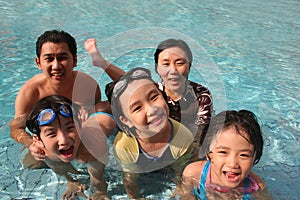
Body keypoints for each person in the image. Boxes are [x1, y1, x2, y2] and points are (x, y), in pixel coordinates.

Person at [9, 30, 115, 169]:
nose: (56, 66)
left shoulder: (87, 85)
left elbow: (95, 119)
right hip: (50, 142)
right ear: (38, 63)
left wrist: (87, 111)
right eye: (49, 59)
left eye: (62, 57)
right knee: (31, 164)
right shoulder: (30, 92)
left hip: (73, 139)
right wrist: (31, 144)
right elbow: (16, 128)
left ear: (75, 60)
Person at [85, 38, 213, 146]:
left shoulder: (201, 96)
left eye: (180, 63)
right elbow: (126, 84)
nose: (173, 70)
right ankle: (101, 62)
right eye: (166, 64)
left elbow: (197, 136)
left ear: (189, 65)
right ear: (157, 69)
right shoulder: (155, 92)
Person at [107, 67, 197, 199]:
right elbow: (130, 179)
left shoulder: (182, 138)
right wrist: (134, 197)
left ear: (164, 96)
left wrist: (183, 191)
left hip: (169, 162)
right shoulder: (124, 145)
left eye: (154, 97)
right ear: (126, 120)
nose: (152, 109)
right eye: (137, 107)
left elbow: (181, 173)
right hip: (139, 164)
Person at [26, 95, 108, 199]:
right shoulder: (42, 151)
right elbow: (57, 166)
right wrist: (71, 181)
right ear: (38, 140)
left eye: (70, 128)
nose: (64, 140)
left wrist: (100, 191)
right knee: (30, 164)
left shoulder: (91, 147)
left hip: (103, 120)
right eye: (51, 134)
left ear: (80, 126)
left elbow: (98, 178)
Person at [181, 110, 273, 199]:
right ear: (208, 154)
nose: (233, 164)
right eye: (223, 152)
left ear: (255, 158)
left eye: (244, 155)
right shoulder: (194, 174)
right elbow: (186, 196)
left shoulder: (256, 188)